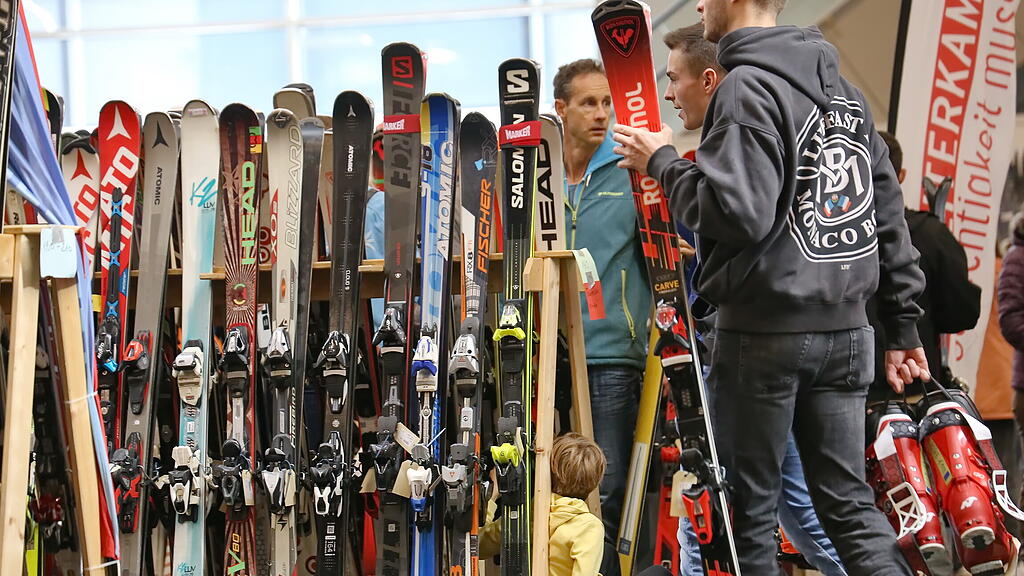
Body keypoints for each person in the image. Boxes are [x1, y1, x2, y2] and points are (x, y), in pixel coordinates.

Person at [611, 1, 928, 574]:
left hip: (764, 335)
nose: (701, 6)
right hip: (849, 334)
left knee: (747, 516)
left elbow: (737, 212)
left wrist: (663, 162)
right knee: (849, 507)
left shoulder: (745, 88)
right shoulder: (848, 97)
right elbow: (888, 219)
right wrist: (902, 325)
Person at [662, 23, 846, 576]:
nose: (669, 93)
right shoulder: (814, 112)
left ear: (709, 79)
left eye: (674, 79)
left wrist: (665, 167)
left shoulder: (740, 120)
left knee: (726, 505)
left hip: (754, 345)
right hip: (785, 338)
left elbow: (743, 221)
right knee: (795, 504)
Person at [553, 58, 652, 572]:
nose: (601, 113)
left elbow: (664, 248)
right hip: (544, 352)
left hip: (612, 351)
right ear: (560, 109)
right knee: (546, 484)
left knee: (608, 486)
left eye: (607, 102)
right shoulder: (538, 180)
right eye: (589, 102)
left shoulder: (629, 170)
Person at [867, 131, 980, 399]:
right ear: (901, 176)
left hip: (846, 387)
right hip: (912, 387)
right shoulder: (931, 234)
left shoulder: (828, 233)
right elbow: (961, 313)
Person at [480, 433, 607, 576]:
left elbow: (478, 546)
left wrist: (492, 497)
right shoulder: (588, 527)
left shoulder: (524, 517)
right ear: (594, 482)